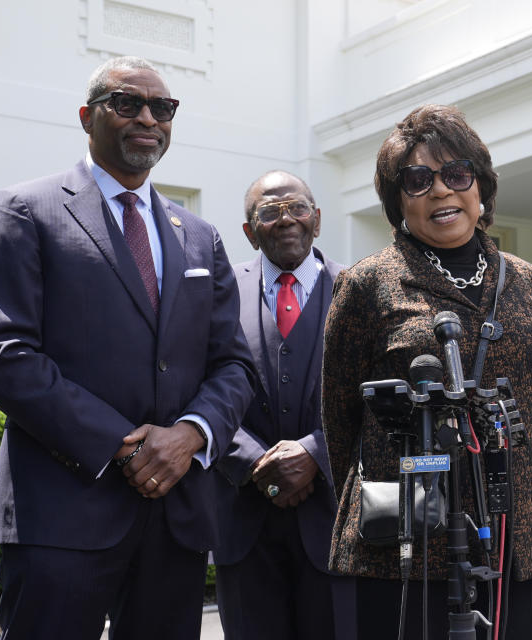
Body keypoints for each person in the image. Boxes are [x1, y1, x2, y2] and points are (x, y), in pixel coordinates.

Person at [0, 56, 255, 639]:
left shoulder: (198, 235)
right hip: (62, 512)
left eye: (162, 108)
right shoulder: (26, 210)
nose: (147, 117)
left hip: (175, 514)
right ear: (87, 116)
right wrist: (123, 448)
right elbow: (0, 353)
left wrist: (191, 435)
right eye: (127, 103)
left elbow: (234, 364)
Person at [322, 103, 532, 640]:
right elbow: (339, 413)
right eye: (417, 180)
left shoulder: (529, 282)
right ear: (398, 202)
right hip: (411, 528)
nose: (441, 190)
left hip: (514, 523)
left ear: (480, 187)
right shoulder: (368, 282)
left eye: (456, 174)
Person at [211, 170, 354, 640]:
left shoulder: (361, 291)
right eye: (269, 212)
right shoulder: (218, 292)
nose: (285, 219)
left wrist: (315, 452)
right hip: (244, 523)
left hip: (337, 524)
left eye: (296, 208)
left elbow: (375, 393)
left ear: (316, 219)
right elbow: (194, 386)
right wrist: (254, 462)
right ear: (250, 232)